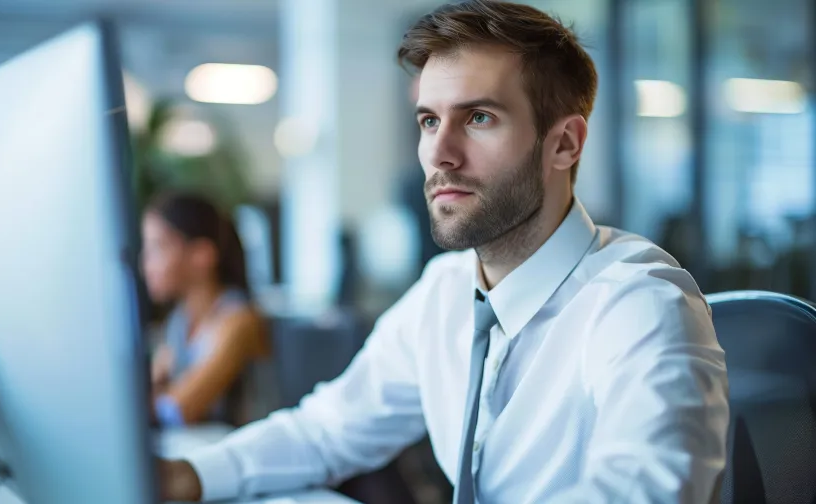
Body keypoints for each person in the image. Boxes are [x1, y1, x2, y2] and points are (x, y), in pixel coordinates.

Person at [158, 1, 730, 502]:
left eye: (479, 117)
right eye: (429, 120)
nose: (440, 154)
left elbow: (648, 488)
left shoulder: (640, 303)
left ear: (564, 143)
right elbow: (328, 431)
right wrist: (181, 477)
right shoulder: (446, 292)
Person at [142, 192, 269, 427]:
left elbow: (178, 409)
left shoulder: (239, 320)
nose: (146, 264)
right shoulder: (178, 322)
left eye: (158, 248)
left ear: (202, 255)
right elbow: (153, 384)